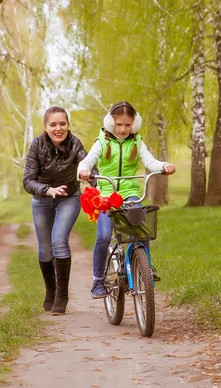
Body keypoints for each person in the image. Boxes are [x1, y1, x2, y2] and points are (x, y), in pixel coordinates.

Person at [78, 101, 176, 299]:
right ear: (110, 123)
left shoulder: (137, 143)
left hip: (130, 193)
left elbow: (150, 162)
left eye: (127, 125)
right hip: (106, 194)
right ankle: (98, 279)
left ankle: (145, 266)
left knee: (141, 228)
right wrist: (83, 170)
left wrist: (163, 165)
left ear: (134, 125)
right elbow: (87, 161)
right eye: (118, 124)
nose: (122, 129)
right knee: (104, 236)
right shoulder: (102, 142)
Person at [23, 106, 95, 315]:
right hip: (42, 199)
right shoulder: (37, 145)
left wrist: (91, 177)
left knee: (59, 241)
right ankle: (51, 289)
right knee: (45, 249)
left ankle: (62, 294)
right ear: (45, 127)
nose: (58, 128)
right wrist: (47, 190)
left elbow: (88, 164)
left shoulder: (75, 144)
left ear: (68, 125)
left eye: (62, 124)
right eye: (53, 124)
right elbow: (27, 181)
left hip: (69, 197)